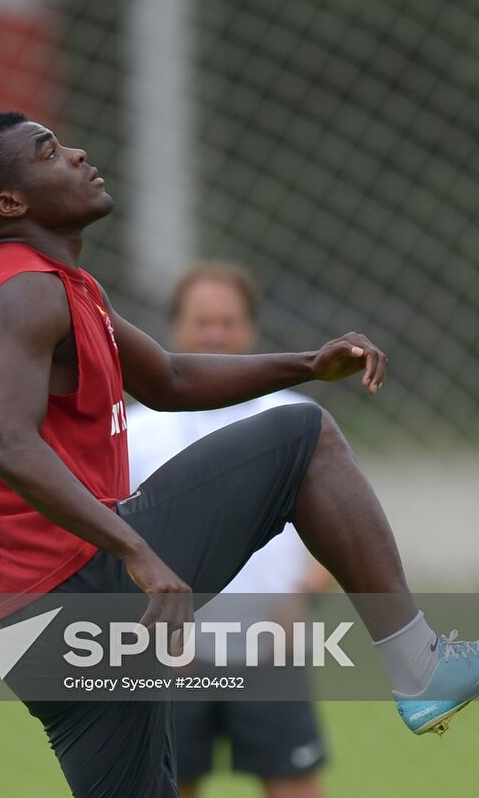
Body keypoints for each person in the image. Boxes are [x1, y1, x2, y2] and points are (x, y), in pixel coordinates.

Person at [0, 112, 479, 798]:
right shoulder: (25, 290)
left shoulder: (68, 288)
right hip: (76, 594)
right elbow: (9, 444)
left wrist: (307, 364)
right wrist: (135, 550)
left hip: (34, 634)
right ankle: (419, 667)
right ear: (9, 203)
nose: (75, 153)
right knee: (301, 438)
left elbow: (168, 380)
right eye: (48, 152)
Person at [126, 261, 332, 798]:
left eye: (228, 320)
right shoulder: (136, 429)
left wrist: (303, 600)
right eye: (202, 321)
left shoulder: (298, 420)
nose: (215, 332)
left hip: (272, 646)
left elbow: (341, 528)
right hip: (173, 655)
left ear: (251, 330)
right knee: (170, 786)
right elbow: (114, 535)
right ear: (175, 329)